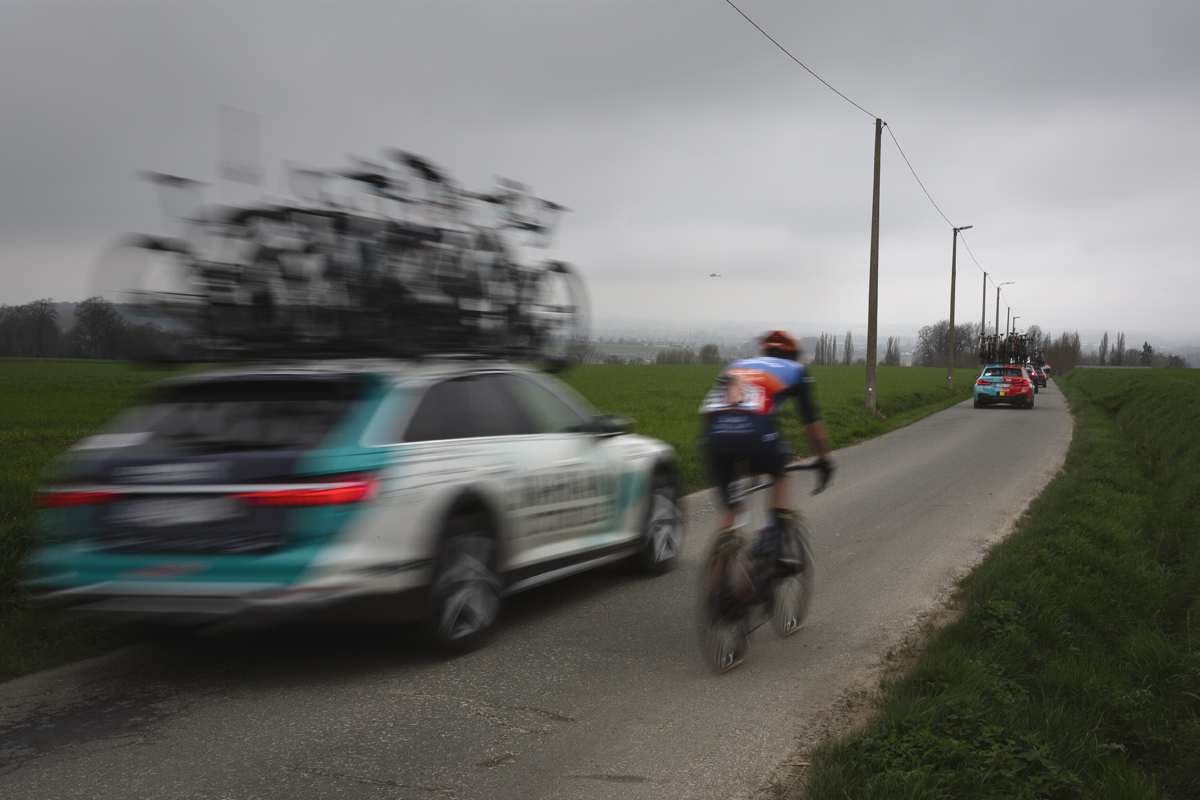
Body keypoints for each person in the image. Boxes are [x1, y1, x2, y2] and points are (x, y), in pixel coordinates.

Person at [699, 330, 834, 578]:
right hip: (754, 432)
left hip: (713, 435)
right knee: (780, 474)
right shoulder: (795, 370)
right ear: (793, 355)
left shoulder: (735, 366)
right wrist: (824, 461)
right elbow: (814, 428)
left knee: (731, 513)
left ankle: (717, 592)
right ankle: (775, 537)